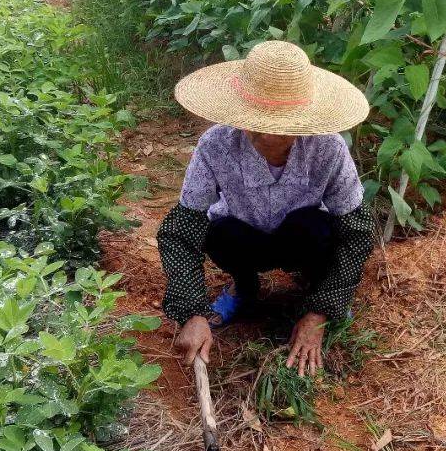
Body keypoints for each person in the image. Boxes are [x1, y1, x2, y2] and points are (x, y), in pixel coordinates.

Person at [157, 40, 374, 377]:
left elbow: (357, 233)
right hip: (243, 237)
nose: (269, 135)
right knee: (219, 232)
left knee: (316, 227)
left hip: (300, 238)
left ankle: (319, 293)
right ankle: (244, 288)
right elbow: (181, 231)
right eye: (259, 125)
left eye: (282, 128)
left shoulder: (328, 148)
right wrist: (191, 311)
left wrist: (321, 312)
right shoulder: (215, 145)